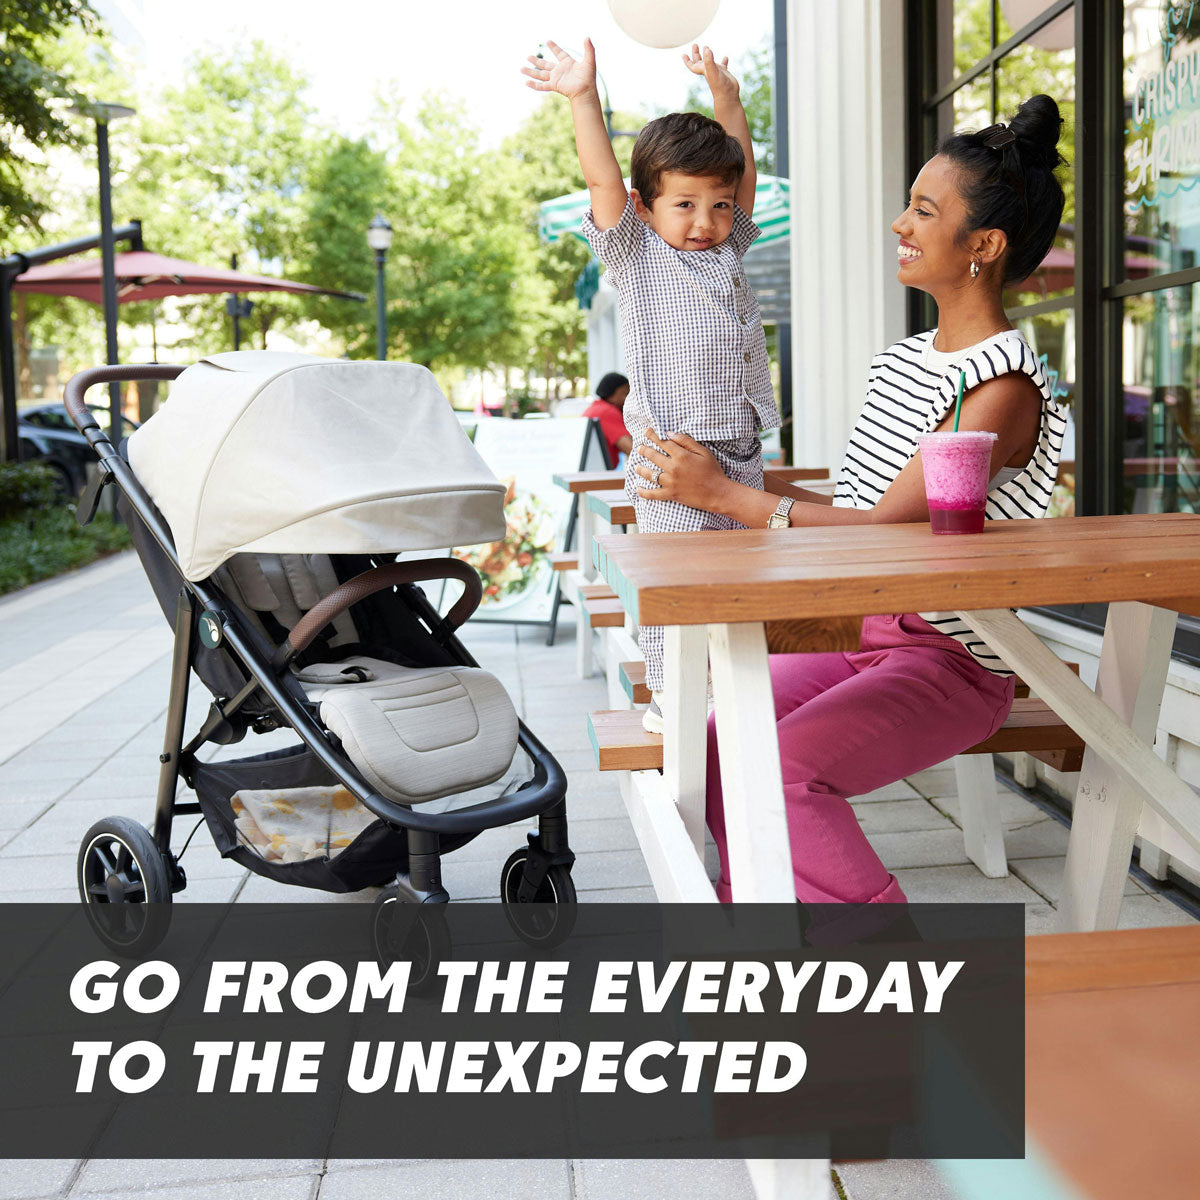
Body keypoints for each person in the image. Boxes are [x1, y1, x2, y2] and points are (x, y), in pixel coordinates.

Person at [632, 95, 1069, 906]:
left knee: (788, 774)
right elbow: (860, 500)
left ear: (985, 245)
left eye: (924, 210)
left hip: (953, 661)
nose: (900, 224)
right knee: (717, 736)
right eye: (909, 203)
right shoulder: (904, 362)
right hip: (870, 632)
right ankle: (767, 940)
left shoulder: (999, 387)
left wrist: (726, 496)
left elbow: (884, 533)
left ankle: (883, 982)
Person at [523, 39, 779, 733]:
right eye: (686, 205)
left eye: (720, 206)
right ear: (646, 207)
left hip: (739, 453)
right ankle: (671, 693)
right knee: (675, 584)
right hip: (670, 457)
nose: (706, 222)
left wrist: (728, 99)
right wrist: (582, 98)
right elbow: (604, 181)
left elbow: (742, 170)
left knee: (740, 581)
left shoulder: (729, 246)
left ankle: (731, 690)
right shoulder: (637, 254)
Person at [583, 371, 632, 467]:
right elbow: (632, 449)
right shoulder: (607, 412)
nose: (629, 399)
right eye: (626, 393)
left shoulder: (594, 408)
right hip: (599, 475)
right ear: (614, 394)